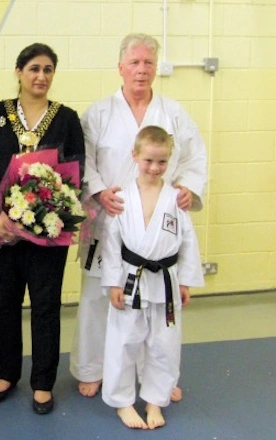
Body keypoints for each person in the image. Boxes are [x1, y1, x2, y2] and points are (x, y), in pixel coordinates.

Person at [70, 33, 208, 399]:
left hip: (157, 224)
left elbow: (195, 158)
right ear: (120, 67)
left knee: (155, 303)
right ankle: (92, 368)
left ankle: (155, 378)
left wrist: (187, 189)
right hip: (107, 217)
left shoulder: (174, 113)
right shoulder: (98, 113)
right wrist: (99, 190)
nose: (141, 70)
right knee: (99, 296)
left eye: (148, 62)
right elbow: (82, 160)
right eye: (134, 62)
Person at [0, 43, 85, 415]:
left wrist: (51, 214)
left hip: (48, 232)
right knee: (5, 302)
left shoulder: (67, 118)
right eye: (34, 68)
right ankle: (6, 372)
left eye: (48, 69)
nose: (41, 76)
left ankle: (42, 382)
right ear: (18, 71)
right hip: (4, 231)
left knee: (46, 305)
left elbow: (75, 173)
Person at [101, 125, 204, 429]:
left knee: (164, 343)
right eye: (149, 160)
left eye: (162, 162)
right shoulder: (122, 197)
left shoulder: (176, 198)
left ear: (169, 161)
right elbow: (110, 244)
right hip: (131, 278)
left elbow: (187, 241)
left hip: (166, 281)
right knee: (124, 341)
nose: (155, 168)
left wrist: (184, 280)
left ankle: (156, 399)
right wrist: (113, 283)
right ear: (135, 156)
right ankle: (122, 402)